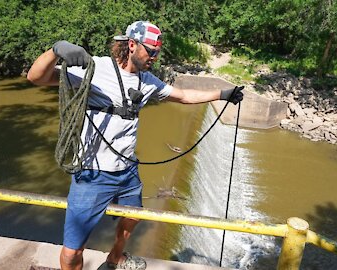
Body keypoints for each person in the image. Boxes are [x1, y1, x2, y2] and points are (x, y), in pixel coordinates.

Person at [27, 21, 243, 270]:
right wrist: (56, 50)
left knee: (134, 215)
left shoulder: (148, 80)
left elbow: (183, 96)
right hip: (93, 172)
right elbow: (36, 77)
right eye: (150, 51)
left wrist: (222, 94)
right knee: (73, 248)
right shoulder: (97, 68)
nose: (155, 57)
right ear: (131, 45)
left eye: (157, 52)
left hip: (128, 170)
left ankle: (115, 258)